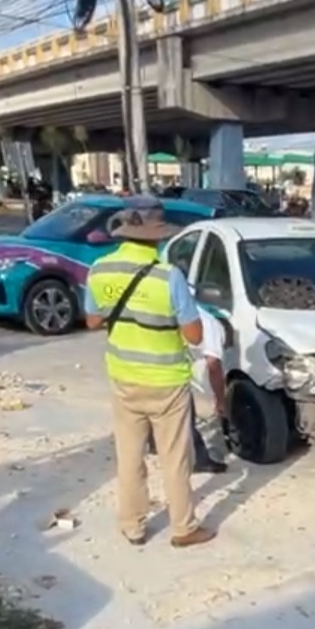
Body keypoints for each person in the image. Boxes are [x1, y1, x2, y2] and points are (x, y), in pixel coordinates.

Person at [86, 208, 214, 549]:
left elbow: (93, 321)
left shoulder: (99, 269)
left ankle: (132, 526)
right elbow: (195, 336)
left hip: (123, 376)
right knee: (174, 457)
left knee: (129, 454)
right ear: (157, 238)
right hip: (166, 381)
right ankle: (183, 528)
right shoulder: (169, 276)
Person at [190, 301, 229, 474]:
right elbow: (213, 364)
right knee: (207, 414)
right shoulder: (211, 324)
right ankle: (211, 459)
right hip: (194, 371)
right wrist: (220, 399)